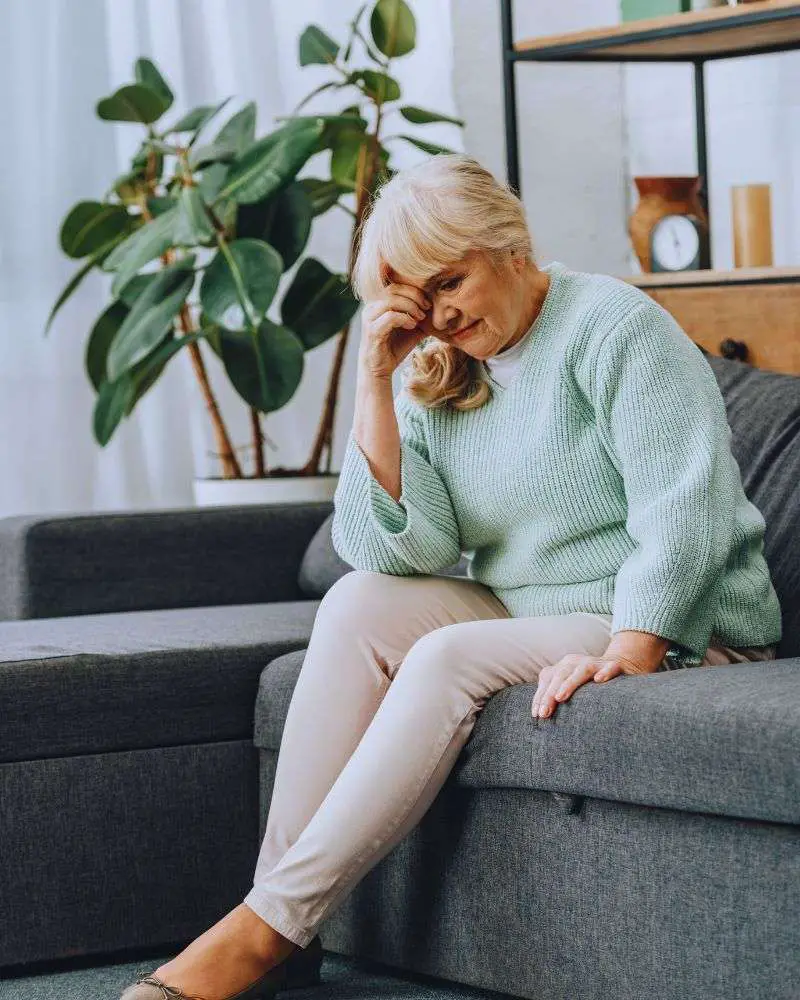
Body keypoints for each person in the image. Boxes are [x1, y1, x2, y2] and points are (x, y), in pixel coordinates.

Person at [121, 153, 782, 1000]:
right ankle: (287, 930)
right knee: (358, 601)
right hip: (533, 607)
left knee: (445, 657)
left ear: (511, 246)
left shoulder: (614, 325)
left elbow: (683, 506)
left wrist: (636, 643)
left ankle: (262, 932)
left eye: (451, 281)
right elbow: (398, 551)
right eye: (418, 295)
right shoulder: (439, 364)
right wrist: (376, 380)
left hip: (682, 622)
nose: (439, 313)